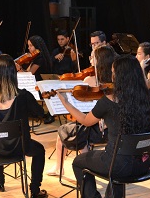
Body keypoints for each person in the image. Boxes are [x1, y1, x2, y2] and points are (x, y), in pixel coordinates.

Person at [57, 54, 150, 198]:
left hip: (119, 166)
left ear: (119, 77)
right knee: (119, 155)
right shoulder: (147, 100)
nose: (111, 77)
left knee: (79, 162)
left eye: (113, 73)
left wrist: (66, 103)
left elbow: (86, 121)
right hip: (143, 164)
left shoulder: (108, 102)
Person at [0, 54, 48, 198]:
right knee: (39, 151)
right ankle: (35, 191)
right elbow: (40, 114)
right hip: (19, 148)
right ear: (13, 73)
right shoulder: (23, 96)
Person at [46, 45, 116, 176]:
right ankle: (85, 165)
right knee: (77, 131)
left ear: (99, 61)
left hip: (98, 129)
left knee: (65, 132)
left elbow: (86, 119)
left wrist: (66, 101)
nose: (90, 61)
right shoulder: (116, 81)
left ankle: (62, 167)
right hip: (109, 130)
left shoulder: (92, 81)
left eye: (92, 58)